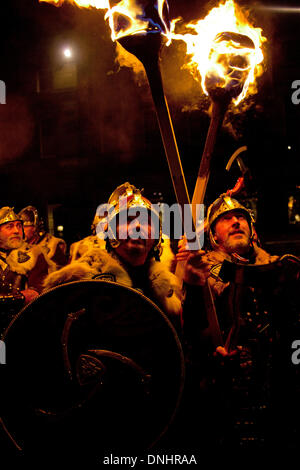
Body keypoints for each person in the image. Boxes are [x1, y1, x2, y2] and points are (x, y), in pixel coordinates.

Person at [176, 193, 300, 450]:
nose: (235, 222)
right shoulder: (202, 278)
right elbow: (189, 341)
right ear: (213, 235)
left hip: (279, 399)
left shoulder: (280, 272)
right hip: (221, 404)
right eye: (226, 219)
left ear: (252, 230)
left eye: (241, 217)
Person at [43, 182, 183, 319]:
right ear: (110, 232)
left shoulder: (167, 288)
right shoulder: (79, 283)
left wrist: (193, 284)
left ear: (156, 237)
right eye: (128, 219)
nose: (138, 226)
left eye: (146, 222)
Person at [0, 207, 56, 333]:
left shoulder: (35, 255)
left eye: (19, 226)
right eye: (9, 226)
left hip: (22, 327)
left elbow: (37, 294)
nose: (16, 231)